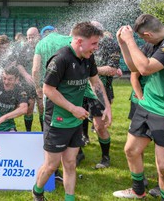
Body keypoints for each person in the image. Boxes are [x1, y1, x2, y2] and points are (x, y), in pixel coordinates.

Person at [113, 14, 164, 200]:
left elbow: (146, 68)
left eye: (141, 37)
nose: (141, 41)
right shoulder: (152, 43)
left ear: (147, 34)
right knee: (131, 150)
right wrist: (124, 44)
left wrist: (131, 40)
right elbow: (134, 67)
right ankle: (138, 191)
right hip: (147, 105)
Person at [32, 22, 110, 201]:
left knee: (70, 163)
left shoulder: (88, 56)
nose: (96, 48)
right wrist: (73, 108)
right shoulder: (60, 59)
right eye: (94, 44)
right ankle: (37, 191)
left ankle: (69, 198)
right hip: (57, 120)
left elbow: (96, 82)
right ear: (80, 41)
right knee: (51, 166)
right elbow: (48, 90)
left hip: (75, 120)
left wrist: (106, 106)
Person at [80, 21, 120, 169]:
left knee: (99, 126)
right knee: (77, 119)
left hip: (100, 89)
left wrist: (91, 70)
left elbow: (112, 69)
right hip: (81, 88)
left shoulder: (110, 44)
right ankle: (81, 146)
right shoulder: (84, 43)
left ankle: (105, 157)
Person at [16, 27, 42, 132]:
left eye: (32, 37)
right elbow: (18, 64)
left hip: (41, 83)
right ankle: (28, 132)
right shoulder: (24, 48)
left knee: (42, 108)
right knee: (29, 108)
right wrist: (26, 75)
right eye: (28, 38)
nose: (30, 40)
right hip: (28, 83)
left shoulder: (43, 46)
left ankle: (44, 133)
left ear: (38, 36)